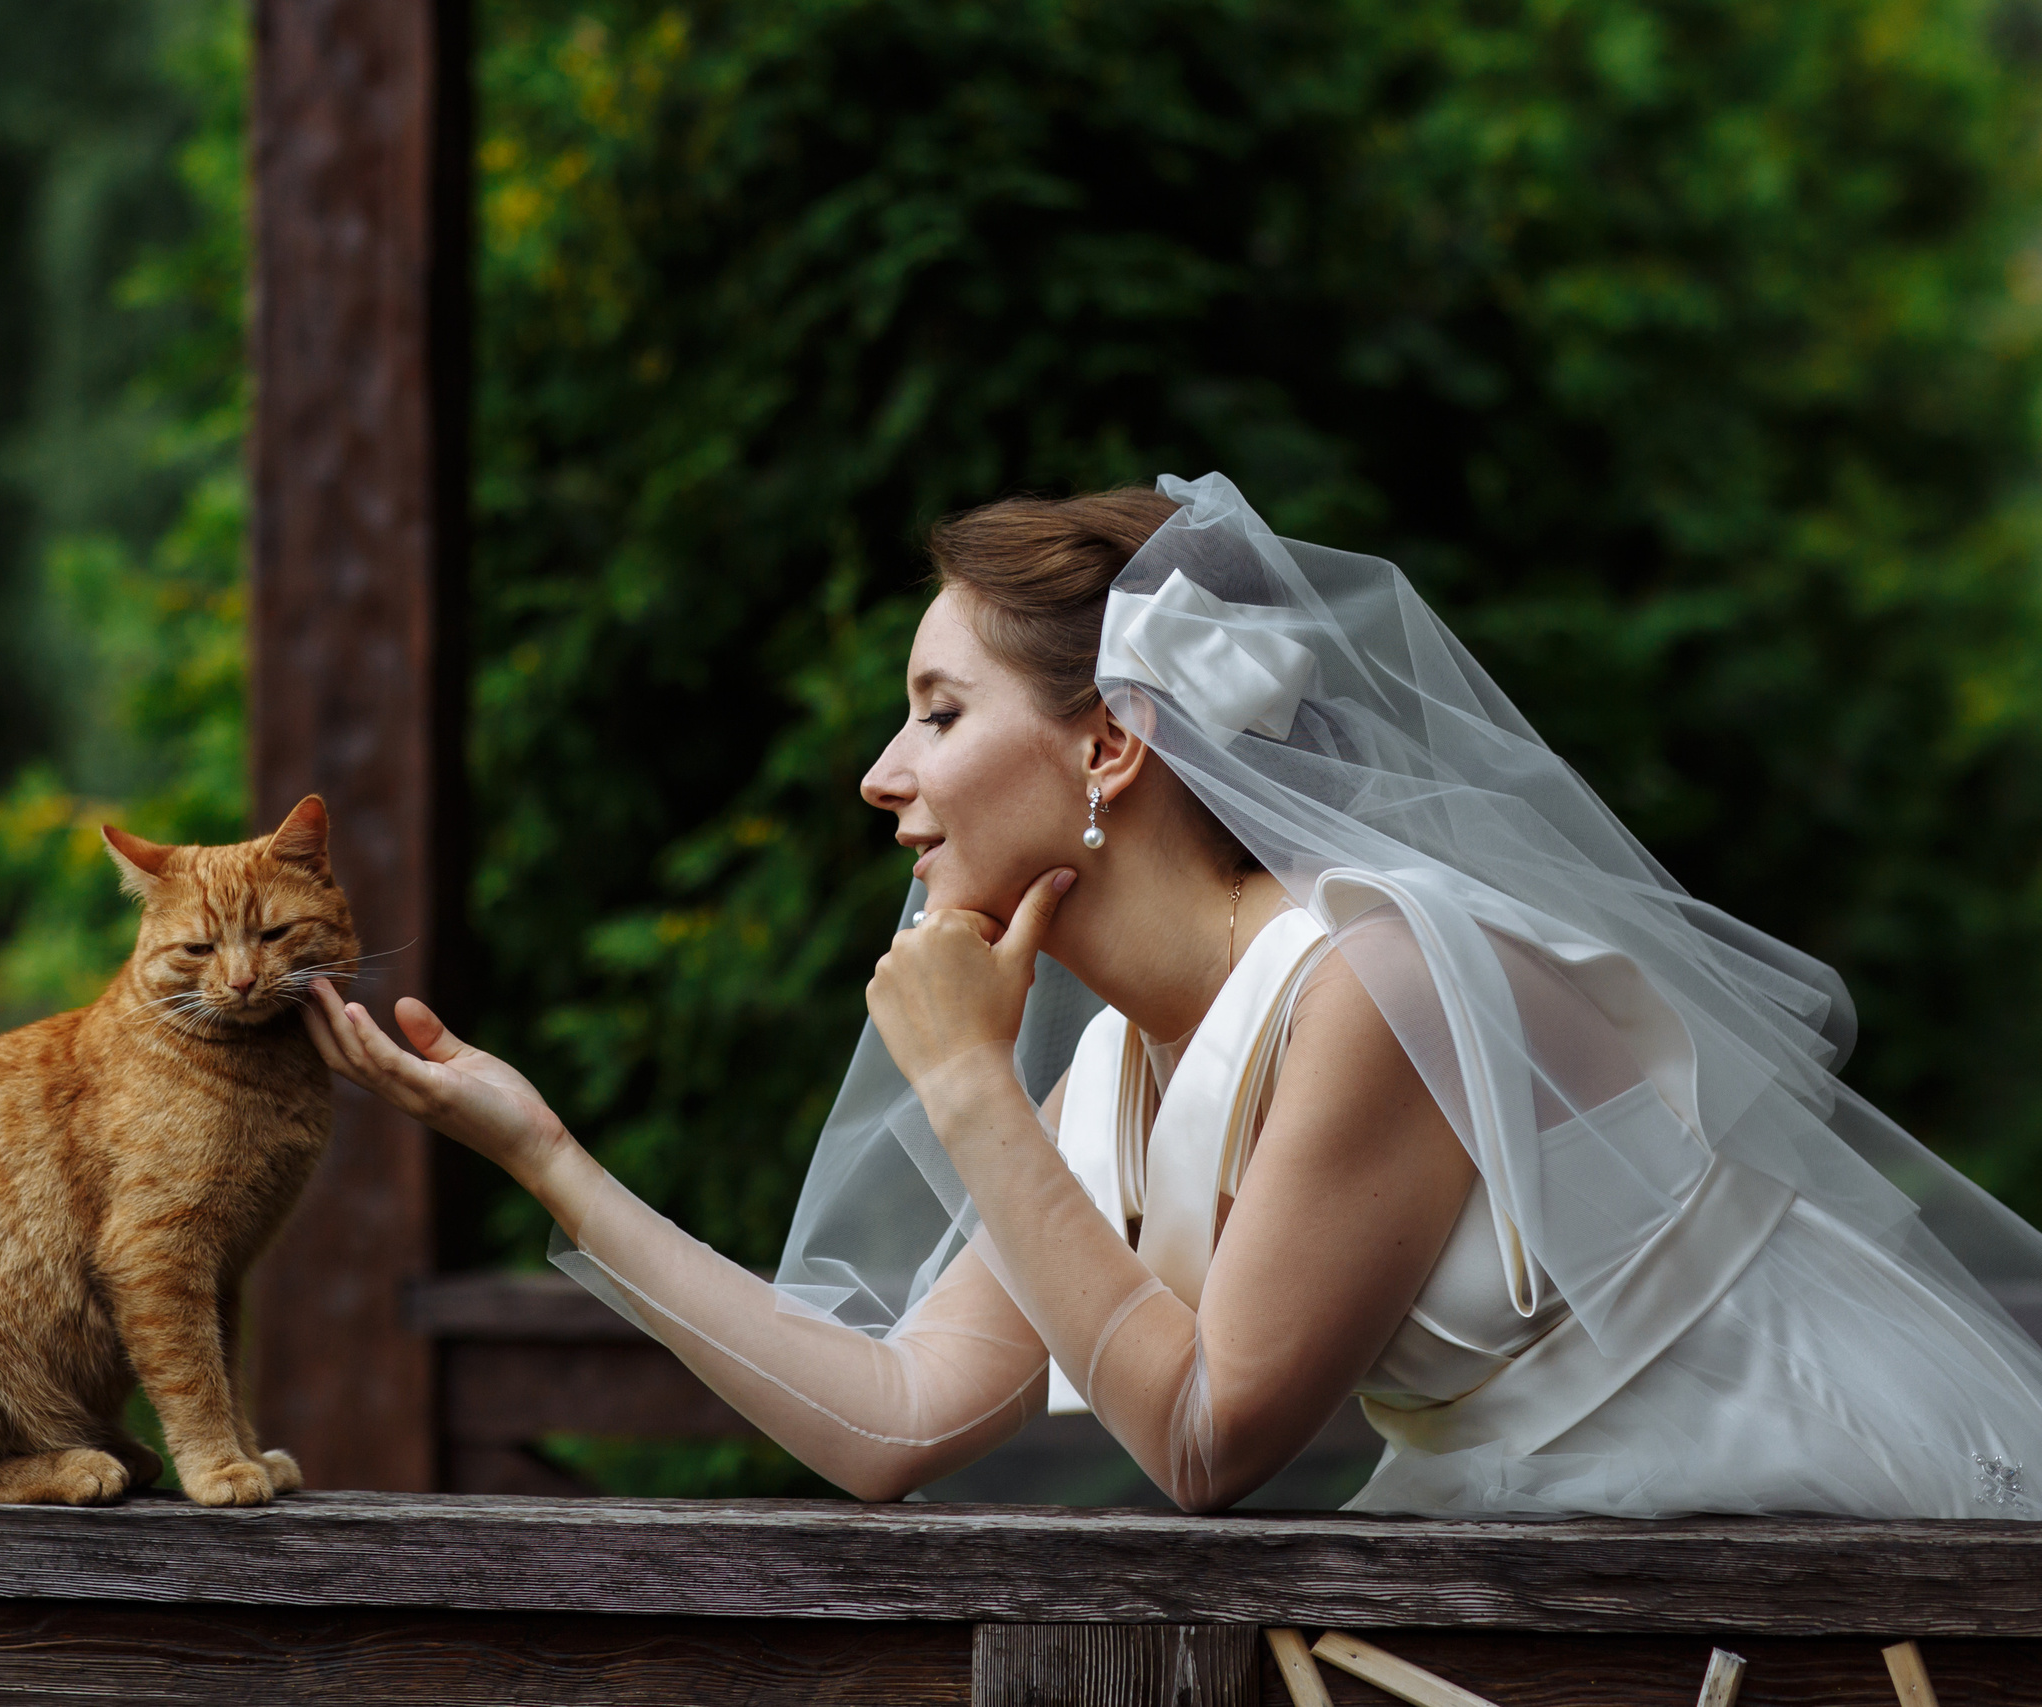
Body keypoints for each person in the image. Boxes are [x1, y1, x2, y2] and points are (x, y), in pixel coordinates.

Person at [305, 473, 2042, 1517]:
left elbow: (1210, 1446)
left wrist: (971, 1086)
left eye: (935, 708)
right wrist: (544, 1158)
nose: (878, 777)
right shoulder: (1124, 1078)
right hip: (1620, 1588)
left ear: (1114, 742)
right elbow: (893, 1423)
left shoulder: (1378, 979)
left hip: (1869, 1538)